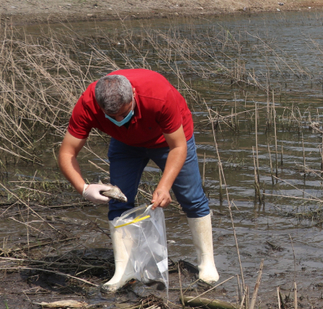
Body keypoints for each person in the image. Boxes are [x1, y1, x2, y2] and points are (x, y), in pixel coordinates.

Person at [58, 69, 219, 291]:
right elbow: (67, 153)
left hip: (169, 140)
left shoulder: (158, 96)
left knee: (191, 198)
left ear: (133, 95)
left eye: (124, 113)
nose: (118, 120)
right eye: (111, 116)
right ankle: (124, 270)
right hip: (125, 144)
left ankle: (207, 264)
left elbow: (178, 146)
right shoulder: (88, 103)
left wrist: (164, 186)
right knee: (119, 201)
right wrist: (84, 188)